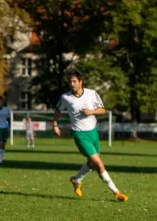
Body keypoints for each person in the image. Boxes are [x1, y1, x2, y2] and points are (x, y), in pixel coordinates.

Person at [53, 69, 128, 202]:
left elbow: (102, 109)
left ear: (80, 82)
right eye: (70, 81)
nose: (72, 84)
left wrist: (91, 111)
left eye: (74, 81)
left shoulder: (92, 94)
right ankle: (116, 192)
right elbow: (58, 110)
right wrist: (55, 125)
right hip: (79, 135)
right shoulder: (66, 97)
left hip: (93, 133)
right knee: (99, 164)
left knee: (91, 163)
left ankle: (76, 179)